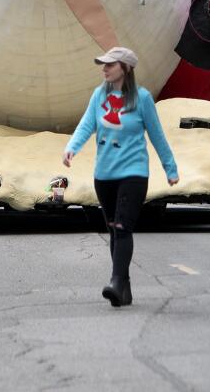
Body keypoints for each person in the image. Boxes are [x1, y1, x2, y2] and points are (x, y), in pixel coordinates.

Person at [62, 47, 179, 308]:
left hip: (133, 172)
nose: (104, 68)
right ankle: (123, 289)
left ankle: (115, 281)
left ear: (125, 68)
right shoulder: (98, 96)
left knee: (122, 227)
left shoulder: (142, 99)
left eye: (110, 65)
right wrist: (72, 147)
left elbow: (157, 135)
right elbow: (86, 125)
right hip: (104, 174)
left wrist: (170, 168)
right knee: (113, 230)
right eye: (103, 64)